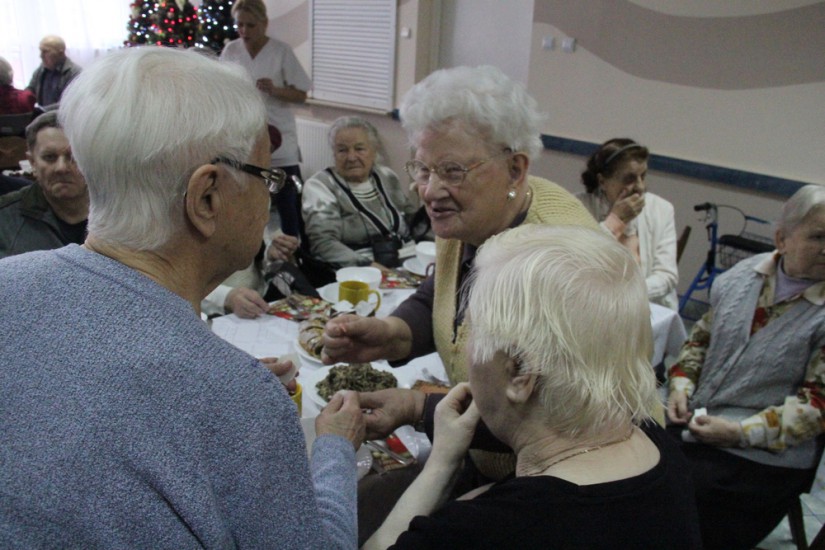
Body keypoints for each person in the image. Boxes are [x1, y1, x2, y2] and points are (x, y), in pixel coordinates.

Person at [0, 46, 363, 548]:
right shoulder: (237, 399)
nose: (270, 196)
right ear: (206, 197)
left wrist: (213, 384)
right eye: (267, 177)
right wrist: (335, 446)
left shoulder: (7, 283)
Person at [323, 65, 597, 484]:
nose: (430, 191)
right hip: (486, 459)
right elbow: (444, 296)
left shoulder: (557, 261)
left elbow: (550, 415)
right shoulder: (474, 215)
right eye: (422, 168)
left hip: (561, 477)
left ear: (515, 169)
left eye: (452, 171)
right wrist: (393, 333)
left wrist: (418, 407)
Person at [361, 225, 702, 549]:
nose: (465, 347)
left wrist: (440, 465)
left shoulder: (479, 533)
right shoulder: (658, 445)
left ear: (520, 372)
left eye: (472, 328)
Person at [666, 184, 825, 550]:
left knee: (684, 498)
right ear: (782, 239)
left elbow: (817, 408)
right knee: (638, 465)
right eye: (818, 237)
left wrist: (738, 432)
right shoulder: (743, 276)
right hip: (702, 425)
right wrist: (680, 387)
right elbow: (700, 340)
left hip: (767, 455)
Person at [219, 0, 311, 240]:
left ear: (264, 23)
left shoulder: (281, 51)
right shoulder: (231, 51)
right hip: (246, 136)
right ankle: (253, 251)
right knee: (248, 198)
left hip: (280, 136)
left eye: (250, 25)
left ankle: (297, 248)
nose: (244, 31)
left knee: (288, 199)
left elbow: (301, 95)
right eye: (240, 25)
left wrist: (275, 90)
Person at [301, 116, 419, 269]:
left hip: (408, 256)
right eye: (342, 150)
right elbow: (323, 243)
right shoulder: (320, 185)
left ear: (373, 151)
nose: (351, 157)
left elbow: (411, 217)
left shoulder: (386, 176)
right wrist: (367, 265)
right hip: (360, 267)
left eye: (359, 149)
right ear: (334, 154)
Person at [577, 138, 679, 310]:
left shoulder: (662, 209)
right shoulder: (578, 207)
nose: (640, 187)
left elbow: (667, 275)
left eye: (643, 176)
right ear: (602, 181)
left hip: (645, 306)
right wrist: (615, 220)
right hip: (592, 306)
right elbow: (580, 266)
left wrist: (626, 296)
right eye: (629, 178)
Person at [0, 111, 88, 258]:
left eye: (73, 157)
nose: (61, 168)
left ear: (91, 160)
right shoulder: (4, 221)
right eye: (50, 157)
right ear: (32, 163)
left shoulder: (121, 215)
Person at [25, 35, 82, 110]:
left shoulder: (74, 73)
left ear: (61, 53)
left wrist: (42, 111)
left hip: (62, 116)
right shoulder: (41, 69)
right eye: (41, 51)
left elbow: (69, 103)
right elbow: (30, 90)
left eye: (45, 51)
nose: (41, 56)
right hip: (42, 115)